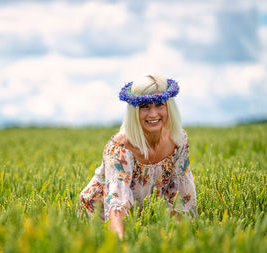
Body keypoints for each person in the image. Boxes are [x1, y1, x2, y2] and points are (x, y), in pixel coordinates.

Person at [79, 74, 197, 239]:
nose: (153, 113)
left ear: (169, 107)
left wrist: (178, 238)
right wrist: (119, 244)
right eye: (144, 107)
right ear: (134, 111)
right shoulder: (120, 148)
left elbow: (182, 196)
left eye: (159, 105)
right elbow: (116, 204)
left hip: (143, 214)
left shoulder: (179, 141)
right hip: (99, 213)